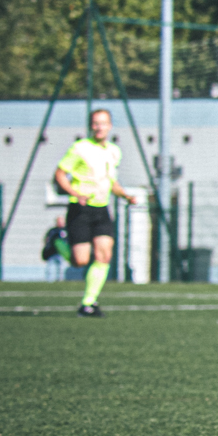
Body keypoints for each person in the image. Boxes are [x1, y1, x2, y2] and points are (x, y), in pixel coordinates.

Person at [52, 108, 141, 316]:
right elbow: (60, 174)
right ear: (91, 126)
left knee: (104, 255)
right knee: (80, 261)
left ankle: (88, 303)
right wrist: (75, 193)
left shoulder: (114, 151)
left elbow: (112, 182)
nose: (99, 127)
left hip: (102, 209)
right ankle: (56, 241)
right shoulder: (80, 148)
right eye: (95, 123)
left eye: (103, 123)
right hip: (80, 208)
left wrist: (126, 196)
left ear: (110, 126)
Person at [41, 213, 73, 280]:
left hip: (61, 254)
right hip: (52, 252)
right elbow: (47, 239)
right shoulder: (53, 231)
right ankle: (49, 280)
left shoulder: (66, 230)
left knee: (61, 267)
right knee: (50, 267)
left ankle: (60, 280)